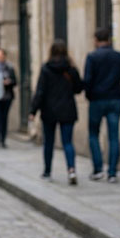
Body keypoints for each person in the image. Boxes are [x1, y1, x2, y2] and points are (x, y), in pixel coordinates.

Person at [29, 40, 83, 185]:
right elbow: (79, 89)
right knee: (67, 142)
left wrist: (33, 110)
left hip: (49, 110)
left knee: (49, 142)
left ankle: (47, 171)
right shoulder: (71, 69)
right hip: (67, 109)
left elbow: (40, 91)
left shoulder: (46, 68)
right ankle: (71, 170)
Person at [83, 27, 120, 183]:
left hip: (97, 100)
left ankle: (98, 169)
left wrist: (90, 96)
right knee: (114, 137)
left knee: (93, 134)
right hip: (114, 100)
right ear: (109, 40)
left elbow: (87, 81)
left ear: (96, 40)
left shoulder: (92, 57)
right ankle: (112, 172)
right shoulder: (118, 57)